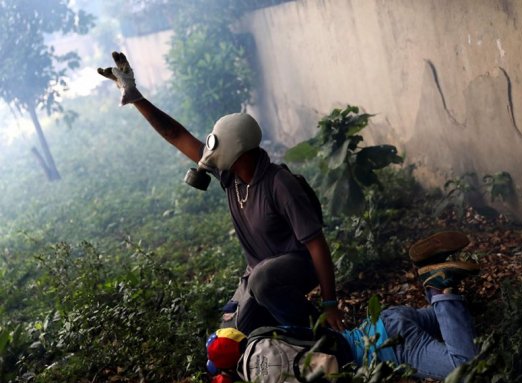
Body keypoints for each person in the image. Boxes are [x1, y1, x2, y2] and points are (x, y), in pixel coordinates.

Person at [97, 52, 344, 333]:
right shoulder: (232, 176)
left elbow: (317, 244)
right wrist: (135, 97)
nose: (209, 154)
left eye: (217, 147)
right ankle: (283, 325)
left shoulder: (280, 184)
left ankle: (323, 336)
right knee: (229, 336)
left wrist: (330, 304)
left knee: (264, 282)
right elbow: (176, 135)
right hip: (259, 275)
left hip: (298, 267)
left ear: (239, 149)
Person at [203, 231, 480, 383]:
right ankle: (436, 271)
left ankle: (439, 285)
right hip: (382, 321)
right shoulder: (264, 334)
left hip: (395, 347)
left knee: (463, 365)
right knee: (461, 321)